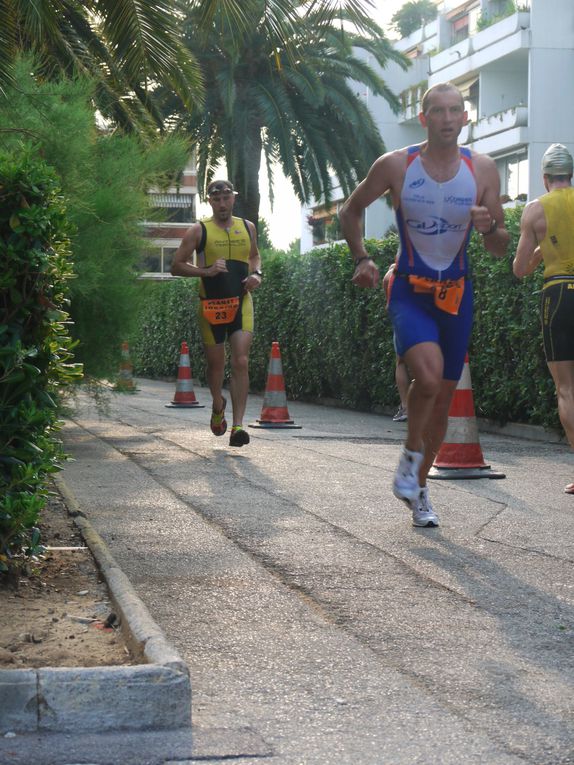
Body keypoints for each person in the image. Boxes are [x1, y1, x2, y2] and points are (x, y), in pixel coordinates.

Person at [339, 82, 510, 527]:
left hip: (457, 293)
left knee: (444, 398)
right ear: (424, 118)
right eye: (439, 111)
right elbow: (349, 210)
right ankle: (412, 458)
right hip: (409, 289)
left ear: (465, 117)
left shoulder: (484, 169)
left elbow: (498, 246)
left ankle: (418, 490)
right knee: (428, 378)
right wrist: (361, 257)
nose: (448, 119)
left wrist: (490, 226)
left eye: (456, 110)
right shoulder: (397, 164)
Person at [171, 179, 262, 447]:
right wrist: (206, 272)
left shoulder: (248, 227)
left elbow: (255, 256)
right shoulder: (199, 231)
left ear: (233, 198)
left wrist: (257, 273)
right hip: (211, 305)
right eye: (216, 199)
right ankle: (218, 403)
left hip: (241, 302)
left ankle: (237, 427)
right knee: (216, 365)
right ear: (209, 201)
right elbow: (176, 266)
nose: (222, 204)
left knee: (241, 361)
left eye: (226, 198)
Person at [513, 143, 574, 495]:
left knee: (566, 388)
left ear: (545, 177)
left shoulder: (536, 210)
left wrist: (539, 251)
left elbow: (520, 269)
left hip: (560, 294)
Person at [383, 263, 410, 422]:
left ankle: (406, 407)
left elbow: (389, 305)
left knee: (401, 362)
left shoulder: (391, 274)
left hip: (401, 320)